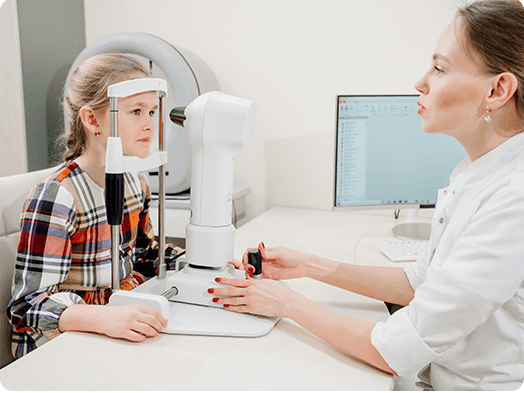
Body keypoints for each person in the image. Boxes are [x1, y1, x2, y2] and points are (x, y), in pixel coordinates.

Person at [209, 0, 524, 390]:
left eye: (440, 69)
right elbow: (419, 282)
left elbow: (395, 351)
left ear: (498, 90)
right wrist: (307, 266)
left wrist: (285, 303)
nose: (420, 82)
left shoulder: (514, 202)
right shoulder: (478, 172)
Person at [7, 54, 182, 359]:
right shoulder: (56, 197)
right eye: (136, 111)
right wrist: (105, 318)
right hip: (66, 336)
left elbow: (142, 255)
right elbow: (27, 307)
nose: (149, 125)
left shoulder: (134, 183)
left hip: (121, 311)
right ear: (92, 120)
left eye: (152, 111)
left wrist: (203, 261)